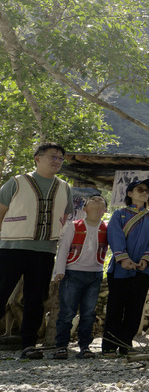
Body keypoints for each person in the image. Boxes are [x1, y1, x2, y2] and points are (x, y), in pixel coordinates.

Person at [0, 142, 73, 360]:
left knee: (35, 299)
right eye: (52, 156)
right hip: (11, 248)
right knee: (1, 293)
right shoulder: (16, 183)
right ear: (37, 158)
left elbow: (66, 219)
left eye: (60, 158)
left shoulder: (64, 187)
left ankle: (29, 345)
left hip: (44, 251)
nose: (57, 161)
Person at [101, 179, 149, 356]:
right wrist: (123, 258)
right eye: (140, 189)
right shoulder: (119, 215)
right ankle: (110, 345)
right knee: (116, 307)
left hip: (143, 268)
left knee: (135, 308)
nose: (144, 192)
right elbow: (114, 236)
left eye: (147, 191)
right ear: (129, 194)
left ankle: (126, 344)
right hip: (121, 268)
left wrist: (146, 259)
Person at [52, 194, 108, 359]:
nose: (97, 202)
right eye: (93, 200)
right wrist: (59, 271)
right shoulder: (73, 226)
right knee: (67, 312)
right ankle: (61, 346)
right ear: (85, 208)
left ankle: (85, 346)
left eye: (101, 201)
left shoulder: (107, 228)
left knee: (89, 313)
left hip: (95, 274)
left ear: (105, 210)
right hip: (73, 272)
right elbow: (63, 249)